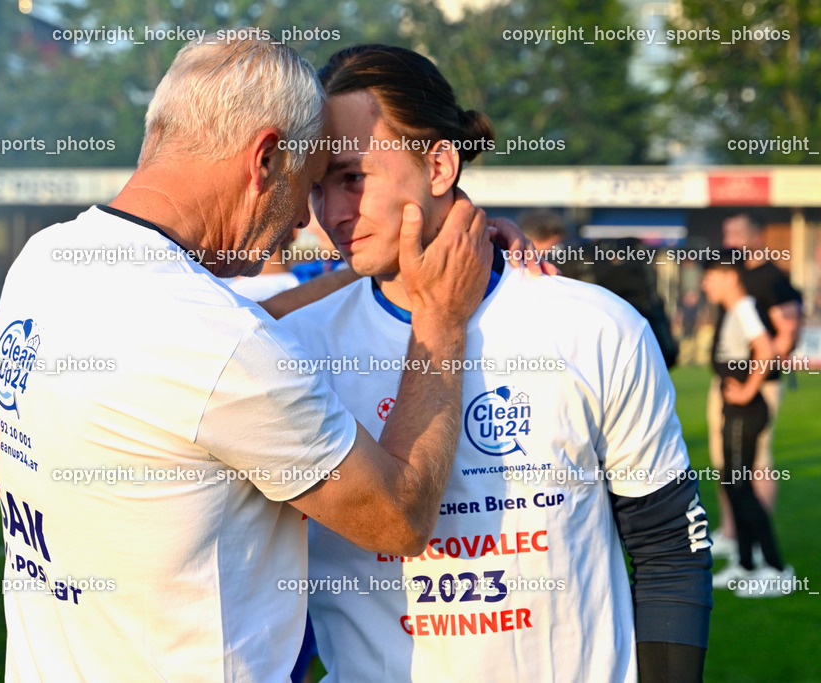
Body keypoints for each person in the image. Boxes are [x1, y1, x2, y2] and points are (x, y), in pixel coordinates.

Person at [0, 34, 541, 680]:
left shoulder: (48, 260)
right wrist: (437, 319)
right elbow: (399, 516)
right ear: (266, 158)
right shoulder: (220, 346)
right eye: (310, 181)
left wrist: (18, 458)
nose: (305, 221)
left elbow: (189, 359)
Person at [277, 45, 712, 681]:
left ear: (440, 165)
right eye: (315, 186)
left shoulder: (593, 326)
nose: (332, 213)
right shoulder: (288, 352)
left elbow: (669, 543)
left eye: (353, 177)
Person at [708, 212, 802, 557]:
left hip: (757, 387)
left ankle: (760, 544)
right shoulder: (733, 277)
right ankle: (734, 534)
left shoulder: (768, 278)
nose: (728, 240)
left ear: (757, 236)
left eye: (735, 233)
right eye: (725, 233)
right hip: (728, 385)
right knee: (726, 461)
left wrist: (754, 377)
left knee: (755, 462)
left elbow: (786, 333)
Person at [701, 252, 793, 596]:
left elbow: (766, 349)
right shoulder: (732, 309)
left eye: (709, 275)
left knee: (743, 486)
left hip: (746, 412)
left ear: (728, 276)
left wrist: (747, 389)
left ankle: (777, 569)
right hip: (732, 410)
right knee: (731, 482)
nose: (705, 283)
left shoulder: (744, 307)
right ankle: (745, 564)